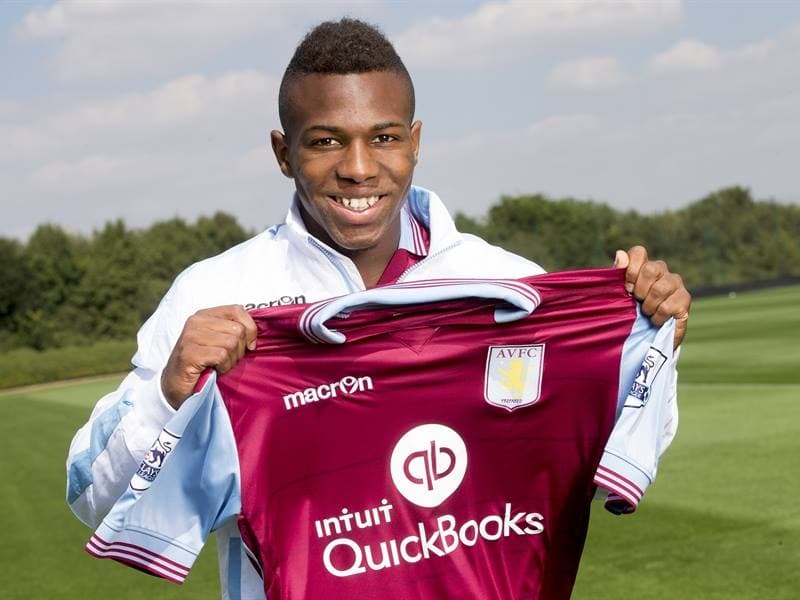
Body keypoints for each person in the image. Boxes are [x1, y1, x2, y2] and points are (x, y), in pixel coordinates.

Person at [67, 18, 690, 600]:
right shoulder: (215, 296)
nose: (358, 168)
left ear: (414, 142)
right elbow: (91, 495)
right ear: (284, 154)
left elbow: (612, 446)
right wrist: (170, 393)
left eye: (384, 138)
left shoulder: (511, 285)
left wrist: (651, 340)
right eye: (325, 142)